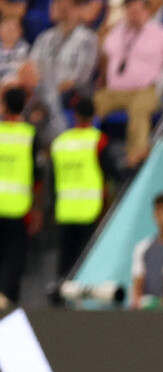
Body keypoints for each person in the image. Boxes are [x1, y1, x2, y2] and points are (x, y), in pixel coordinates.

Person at [96, 0, 163, 166]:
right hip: (114, 91)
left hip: (145, 90)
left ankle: (135, 159)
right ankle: (89, 151)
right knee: (91, 105)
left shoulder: (161, 33)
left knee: (140, 109)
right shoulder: (115, 33)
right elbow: (104, 56)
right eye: (130, 11)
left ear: (147, 12)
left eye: (138, 11)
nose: (134, 15)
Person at [51, 96, 107, 278]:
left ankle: (59, 299)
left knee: (65, 262)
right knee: (86, 263)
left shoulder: (60, 142)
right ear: (94, 116)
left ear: (75, 115)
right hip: (90, 211)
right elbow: (110, 173)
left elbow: (52, 179)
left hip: (65, 210)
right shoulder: (98, 140)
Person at [25, 0, 98, 138]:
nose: (56, 7)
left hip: (72, 93)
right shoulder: (45, 37)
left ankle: (55, 144)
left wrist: (50, 92)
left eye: (61, 4)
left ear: (75, 9)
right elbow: (31, 67)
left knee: (50, 101)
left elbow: (81, 77)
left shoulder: (87, 38)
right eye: (56, 4)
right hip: (41, 91)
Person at [0, 87, 41, 309]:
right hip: (18, 208)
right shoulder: (29, 135)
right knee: (14, 260)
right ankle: (7, 305)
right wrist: (37, 210)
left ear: (4, 106)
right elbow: (37, 176)